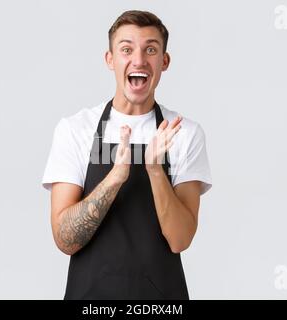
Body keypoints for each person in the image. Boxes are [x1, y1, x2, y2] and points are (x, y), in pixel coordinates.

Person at [42, 10, 213, 300]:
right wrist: (115, 177)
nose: (139, 60)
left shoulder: (183, 133)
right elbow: (65, 239)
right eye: (126, 49)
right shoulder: (76, 129)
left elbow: (180, 239)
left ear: (164, 61)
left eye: (150, 49)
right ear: (110, 59)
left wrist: (155, 170)